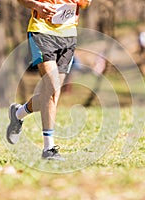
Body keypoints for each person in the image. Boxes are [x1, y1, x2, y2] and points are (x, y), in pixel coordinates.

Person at [6, 0, 92, 160]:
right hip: (42, 32)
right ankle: (49, 148)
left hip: (68, 37)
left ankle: (18, 114)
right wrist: (37, 6)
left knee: (52, 95)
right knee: (52, 88)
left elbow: (85, 4)